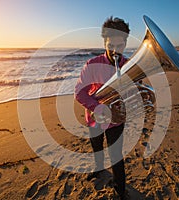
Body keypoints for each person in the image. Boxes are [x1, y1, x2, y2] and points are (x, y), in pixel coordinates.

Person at [74, 16, 130, 199]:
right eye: (110, 45)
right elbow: (79, 93)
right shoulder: (91, 64)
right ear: (104, 41)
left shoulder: (129, 66)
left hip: (115, 121)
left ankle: (120, 191)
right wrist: (98, 107)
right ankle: (98, 170)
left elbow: (135, 93)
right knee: (96, 147)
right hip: (94, 118)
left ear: (126, 42)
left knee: (116, 156)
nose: (115, 51)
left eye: (120, 46)